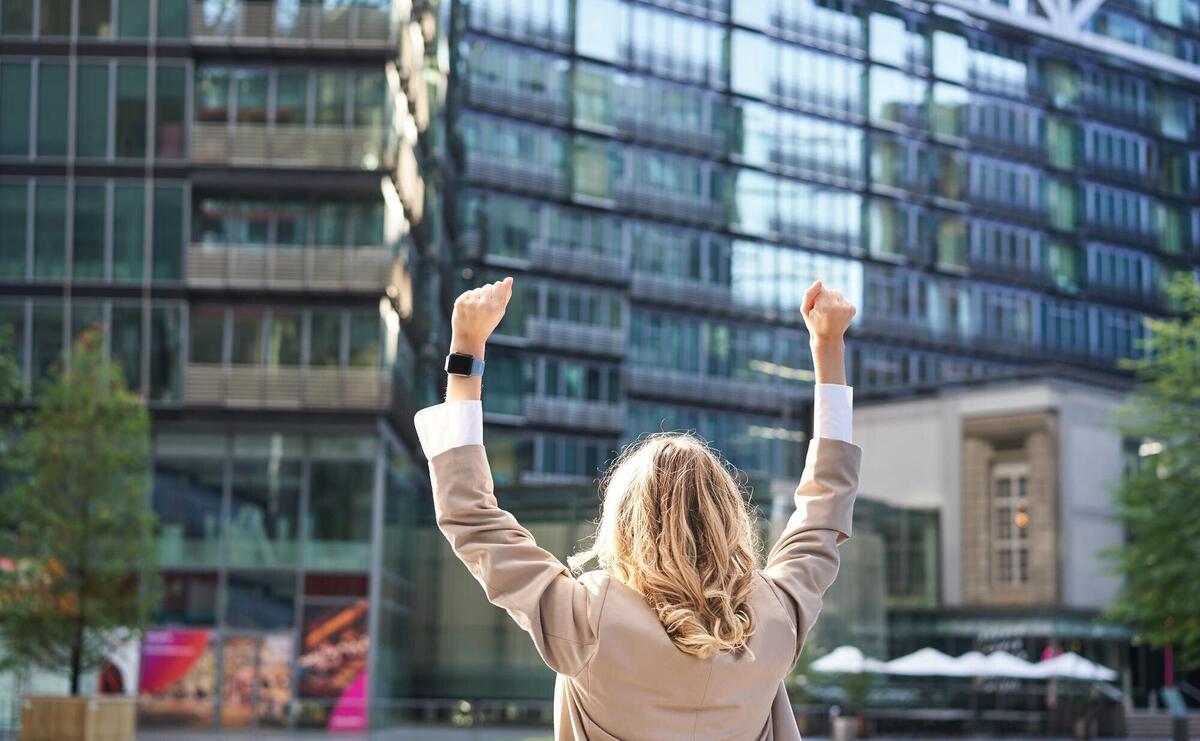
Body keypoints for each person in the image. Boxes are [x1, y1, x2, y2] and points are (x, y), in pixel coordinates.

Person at [414, 276, 861, 740]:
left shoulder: (588, 617)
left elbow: (472, 516)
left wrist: (466, 350)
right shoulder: (776, 615)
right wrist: (829, 349)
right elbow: (823, 511)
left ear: (626, 523)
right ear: (729, 517)